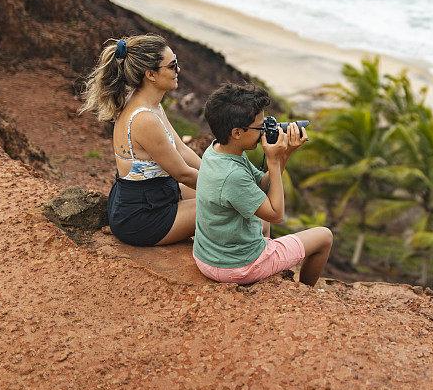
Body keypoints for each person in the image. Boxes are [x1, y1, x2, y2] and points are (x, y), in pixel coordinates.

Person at [193, 83, 332, 287]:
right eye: (260, 127)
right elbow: (276, 214)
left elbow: (261, 186)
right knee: (324, 236)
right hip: (235, 267)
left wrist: (285, 153)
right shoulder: (232, 175)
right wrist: (273, 162)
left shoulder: (216, 151)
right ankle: (305, 291)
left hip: (207, 255)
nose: (264, 131)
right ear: (237, 133)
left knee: (261, 221)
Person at [81, 34, 201, 246]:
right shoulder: (144, 118)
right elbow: (182, 172)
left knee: (231, 201)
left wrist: (220, 175)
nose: (178, 70)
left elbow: (182, 150)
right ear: (151, 74)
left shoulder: (151, 104)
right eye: (172, 66)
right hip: (141, 217)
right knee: (227, 207)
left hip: (157, 196)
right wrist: (229, 189)